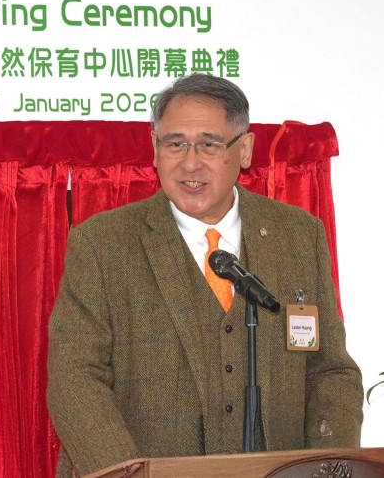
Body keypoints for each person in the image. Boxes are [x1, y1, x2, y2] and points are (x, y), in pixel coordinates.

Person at [47, 74, 363, 478]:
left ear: (244, 149)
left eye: (209, 144)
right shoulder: (103, 243)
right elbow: (75, 378)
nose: (190, 162)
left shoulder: (297, 235)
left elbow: (331, 372)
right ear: (154, 148)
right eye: (175, 143)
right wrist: (127, 473)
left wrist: (322, 469)